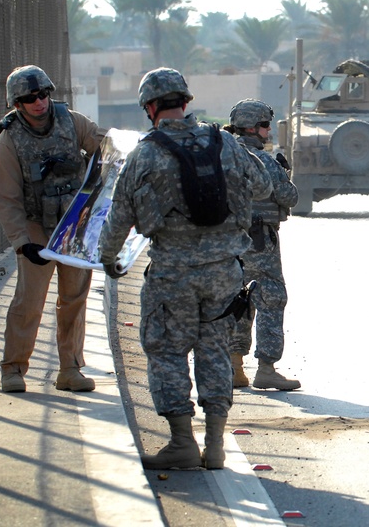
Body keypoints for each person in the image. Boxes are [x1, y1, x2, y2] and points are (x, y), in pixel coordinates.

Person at [98, 68, 272, 470]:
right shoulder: (225, 142)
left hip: (172, 273)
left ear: (150, 108)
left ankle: (181, 444)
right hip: (224, 271)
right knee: (213, 349)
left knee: (167, 350)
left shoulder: (146, 152)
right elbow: (262, 186)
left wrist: (109, 260)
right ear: (187, 103)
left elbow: (119, 216)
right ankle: (214, 446)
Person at [0, 65, 107, 393]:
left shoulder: (73, 122)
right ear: (17, 104)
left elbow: (105, 147)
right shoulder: (9, 140)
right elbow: (7, 197)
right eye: (31, 98)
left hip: (74, 225)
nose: (40, 102)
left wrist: (96, 185)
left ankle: (70, 369)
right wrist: (21, 242)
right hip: (36, 228)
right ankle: (13, 369)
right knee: (29, 302)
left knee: (74, 298)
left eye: (44, 94)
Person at [223, 99, 300, 391]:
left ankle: (235, 367)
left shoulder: (222, 158)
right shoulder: (263, 160)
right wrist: (285, 174)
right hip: (259, 242)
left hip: (226, 243)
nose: (269, 131)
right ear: (254, 128)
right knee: (270, 297)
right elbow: (289, 197)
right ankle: (266, 368)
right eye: (266, 125)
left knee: (236, 300)